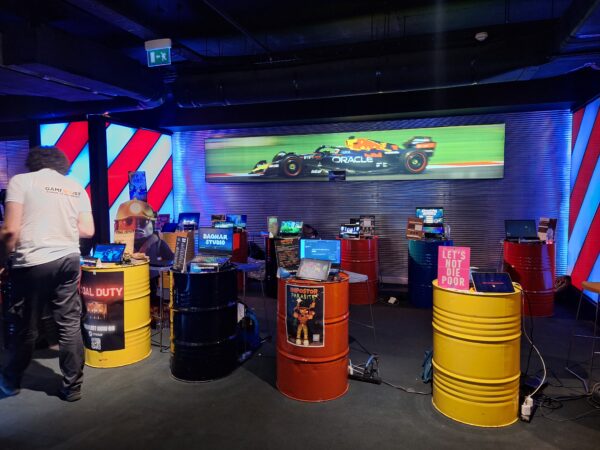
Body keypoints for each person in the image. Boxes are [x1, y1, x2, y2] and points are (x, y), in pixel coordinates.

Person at [0, 145, 95, 402]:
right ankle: (72, 387)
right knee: (69, 324)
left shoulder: (21, 181)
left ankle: (10, 380)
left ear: (34, 161)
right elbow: (88, 230)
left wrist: (1, 260)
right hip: (68, 259)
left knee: (25, 325)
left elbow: (9, 231)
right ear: (61, 164)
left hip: (33, 262)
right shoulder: (75, 187)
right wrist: (59, 224)